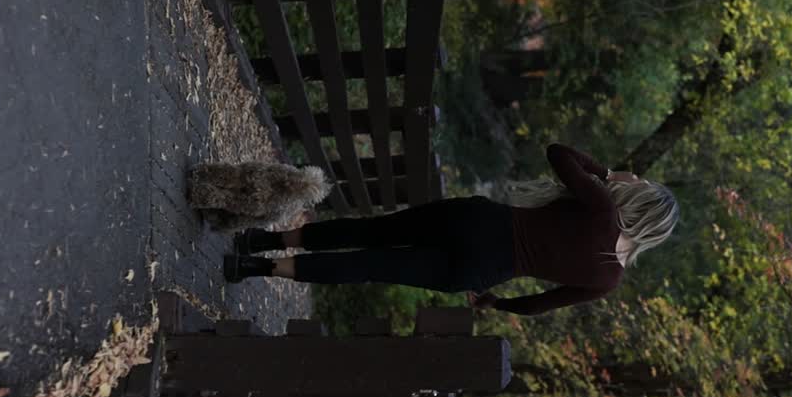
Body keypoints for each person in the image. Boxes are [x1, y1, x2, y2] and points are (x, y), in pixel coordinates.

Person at [222, 143, 679, 315]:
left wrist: (606, 174)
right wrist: (493, 302)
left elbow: (559, 153)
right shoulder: (608, 279)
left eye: (638, 184)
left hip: (478, 221)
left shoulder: (601, 206)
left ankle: (265, 239)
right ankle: (253, 269)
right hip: (480, 270)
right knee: (371, 266)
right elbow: (540, 304)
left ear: (640, 200)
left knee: (374, 232)